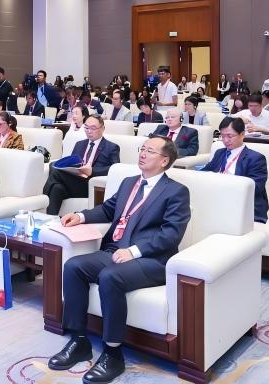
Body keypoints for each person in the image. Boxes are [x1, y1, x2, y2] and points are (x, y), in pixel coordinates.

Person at [48, 135, 190, 383]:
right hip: (114, 251)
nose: (143, 153)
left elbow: (171, 234)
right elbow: (108, 209)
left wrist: (134, 251)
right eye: (142, 148)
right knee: (73, 267)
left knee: (109, 277)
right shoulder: (129, 182)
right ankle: (79, 340)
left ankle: (113, 353)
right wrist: (81, 216)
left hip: (151, 260)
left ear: (165, 160)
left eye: (150, 151)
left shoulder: (176, 191)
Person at [44, 115, 120, 215]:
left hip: (90, 185)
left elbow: (116, 169)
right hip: (74, 182)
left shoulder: (111, 147)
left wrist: (92, 171)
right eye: (86, 128)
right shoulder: (79, 144)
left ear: (102, 128)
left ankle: (41, 203)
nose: (89, 131)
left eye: (93, 128)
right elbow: (73, 163)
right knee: (56, 187)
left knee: (56, 172)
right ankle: (51, 219)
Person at [203, 117, 269, 223]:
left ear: (242, 134)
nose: (225, 140)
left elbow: (255, 188)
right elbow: (204, 172)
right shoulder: (220, 152)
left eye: (230, 136)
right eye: (222, 136)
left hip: (243, 205)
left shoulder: (256, 158)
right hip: (218, 200)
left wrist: (227, 182)